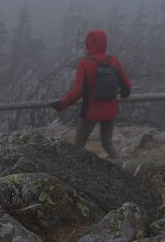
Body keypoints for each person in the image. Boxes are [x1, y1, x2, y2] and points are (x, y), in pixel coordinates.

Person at [50, 29, 131, 159]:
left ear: (88, 44)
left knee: (79, 146)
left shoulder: (85, 63)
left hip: (90, 112)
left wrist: (61, 105)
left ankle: (75, 175)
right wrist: (125, 94)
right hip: (111, 110)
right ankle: (125, 170)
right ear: (104, 43)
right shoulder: (114, 61)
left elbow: (77, 92)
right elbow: (127, 85)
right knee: (107, 144)